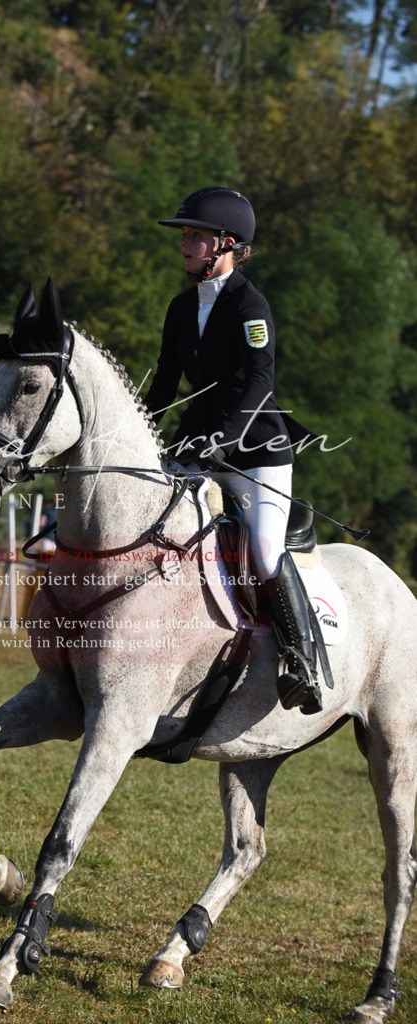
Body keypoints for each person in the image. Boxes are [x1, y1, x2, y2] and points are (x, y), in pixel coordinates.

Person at [144, 186, 322, 715]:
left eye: (195, 236)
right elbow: (164, 387)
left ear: (226, 243)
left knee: (263, 555)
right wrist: (134, 430)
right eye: (185, 235)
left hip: (255, 452)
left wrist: (219, 440)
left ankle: (300, 660)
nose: (185, 244)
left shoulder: (251, 305)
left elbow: (257, 384)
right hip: (197, 448)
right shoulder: (180, 308)